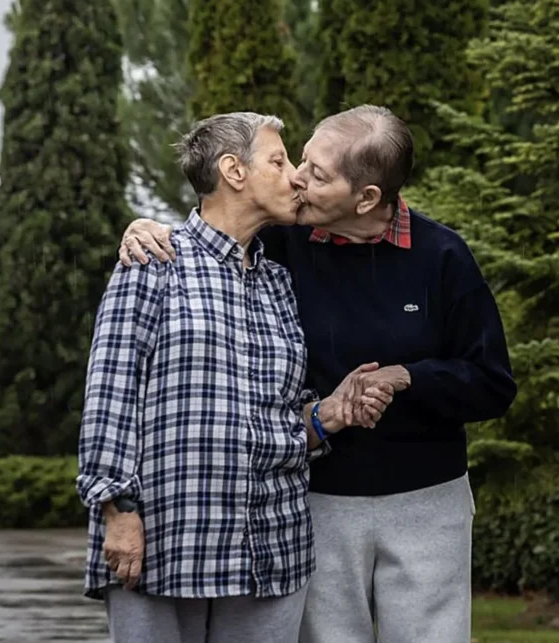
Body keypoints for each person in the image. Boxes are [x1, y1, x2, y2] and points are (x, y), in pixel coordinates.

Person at [117, 105, 518, 642]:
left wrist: (408, 377)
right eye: (301, 159)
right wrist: (148, 227)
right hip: (317, 501)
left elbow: (492, 383)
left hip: (427, 502)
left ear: (367, 198)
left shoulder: (442, 256)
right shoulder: (284, 243)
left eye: (318, 173)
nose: (297, 178)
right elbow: (214, 233)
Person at [76, 111, 393, 643]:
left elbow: (279, 419)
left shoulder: (278, 284)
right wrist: (118, 513)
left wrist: (326, 415)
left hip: (271, 548)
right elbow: (110, 398)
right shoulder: (154, 263)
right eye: (278, 160)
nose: (295, 175)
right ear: (233, 171)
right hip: (166, 542)